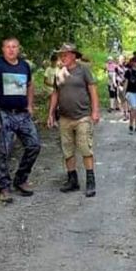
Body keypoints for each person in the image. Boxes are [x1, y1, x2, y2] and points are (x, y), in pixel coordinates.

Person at [0, 37, 40, 204]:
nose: (11, 49)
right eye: (8, 47)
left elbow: (30, 85)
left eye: (14, 46)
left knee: (34, 145)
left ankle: (20, 179)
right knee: (3, 152)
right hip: (3, 113)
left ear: (19, 49)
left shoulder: (24, 66)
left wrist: (30, 105)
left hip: (22, 114)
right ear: (3, 49)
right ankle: (4, 187)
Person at [47, 43, 100, 198]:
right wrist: (50, 113)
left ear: (73, 55)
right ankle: (72, 180)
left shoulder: (83, 70)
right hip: (64, 117)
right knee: (67, 150)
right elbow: (55, 93)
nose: (62, 57)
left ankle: (91, 181)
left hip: (82, 116)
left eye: (65, 54)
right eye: (60, 54)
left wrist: (95, 111)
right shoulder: (59, 72)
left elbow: (93, 90)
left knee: (85, 148)